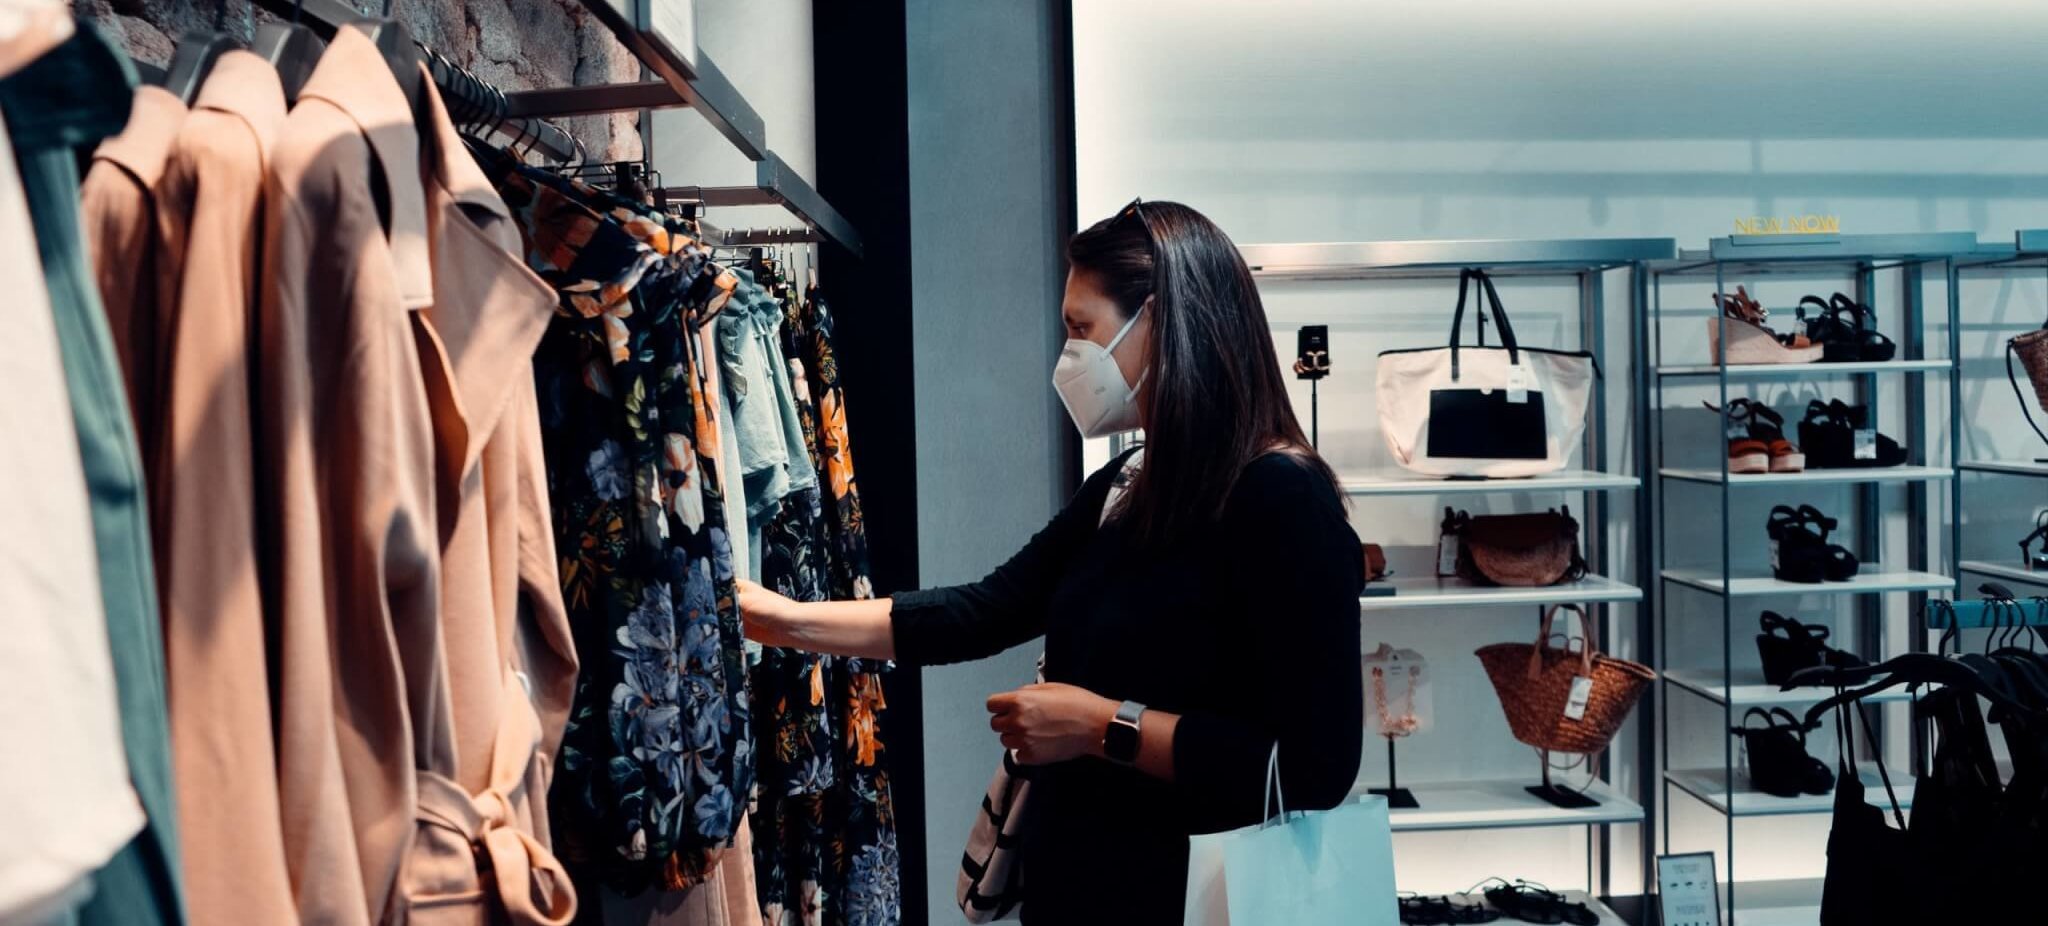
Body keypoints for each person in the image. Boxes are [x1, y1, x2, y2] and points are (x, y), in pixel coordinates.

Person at [738, 200, 1364, 924]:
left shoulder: (1280, 496)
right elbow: (984, 610)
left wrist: (1101, 726)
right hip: (1083, 886)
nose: (1068, 356)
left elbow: (1314, 769)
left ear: (1157, 322)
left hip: (1202, 900)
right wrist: (783, 620)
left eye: (1081, 328)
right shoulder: (1130, 482)